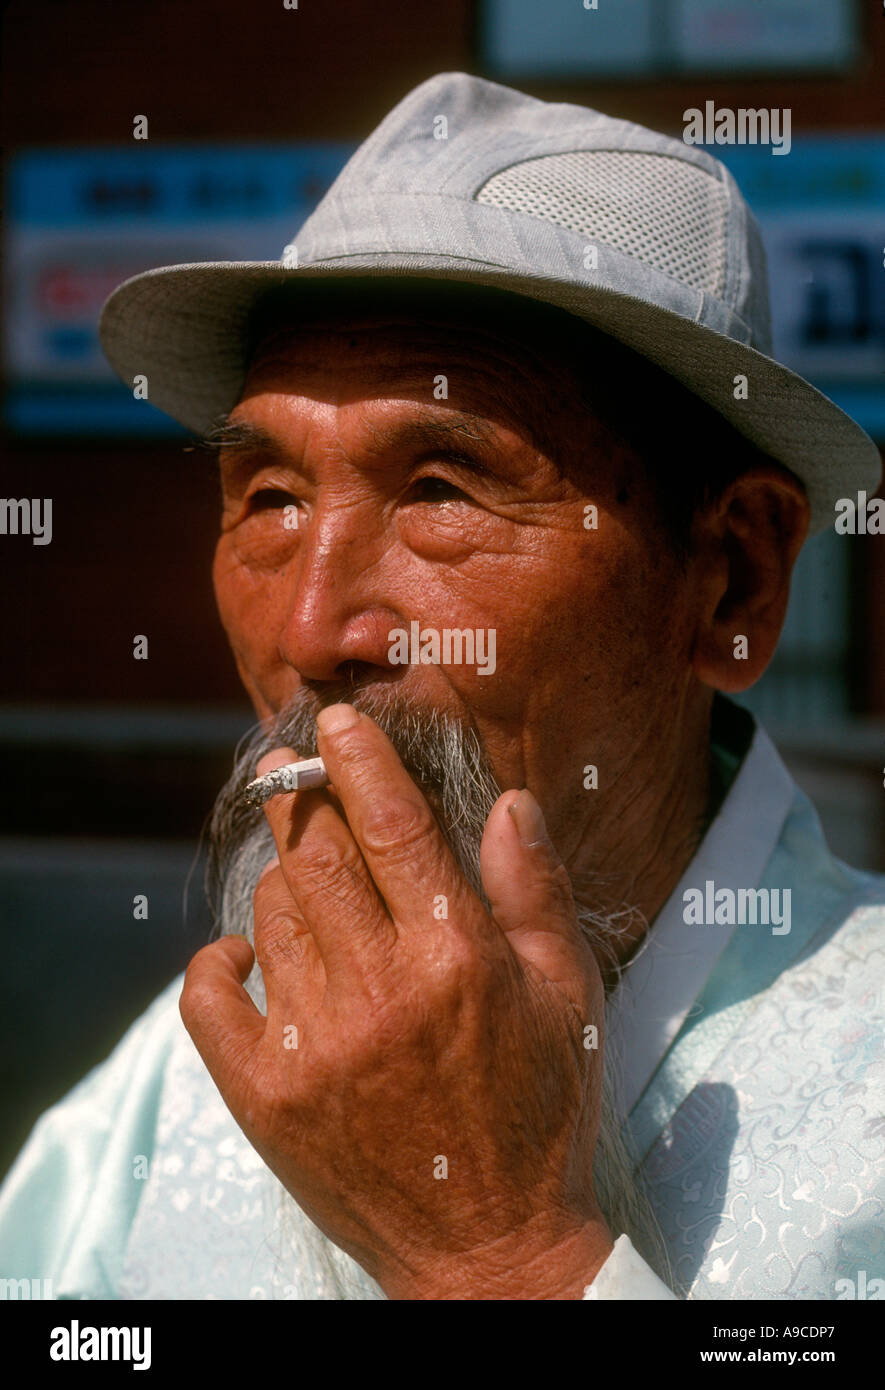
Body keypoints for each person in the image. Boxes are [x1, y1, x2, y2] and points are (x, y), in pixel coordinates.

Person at [1, 71, 882, 1301]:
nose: (311, 632)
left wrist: (499, 1254)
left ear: (730, 580)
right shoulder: (191, 1075)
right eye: (270, 499)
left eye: (441, 493)